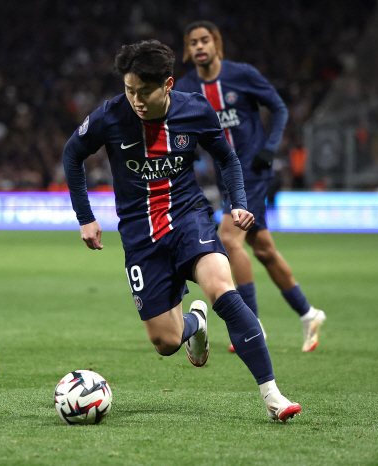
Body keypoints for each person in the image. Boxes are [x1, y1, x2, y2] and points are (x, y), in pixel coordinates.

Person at [63, 39, 301, 421]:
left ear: (169, 84)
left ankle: (273, 396)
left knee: (222, 289)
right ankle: (195, 323)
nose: (135, 100)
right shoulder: (110, 116)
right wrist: (84, 217)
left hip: (189, 217)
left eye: (144, 91)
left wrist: (238, 202)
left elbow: (227, 158)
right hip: (141, 235)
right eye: (129, 89)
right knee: (166, 342)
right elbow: (72, 154)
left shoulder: (195, 109)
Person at [175, 21, 326, 353]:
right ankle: (308, 313)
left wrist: (270, 148)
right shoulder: (186, 87)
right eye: (193, 43)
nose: (200, 47)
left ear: (217, 44)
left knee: (229, 239)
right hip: (225, 177)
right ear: (188, 50)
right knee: (264, 250)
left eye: (205, 40)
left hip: (253, 172)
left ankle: (251, 323)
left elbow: (279, 107)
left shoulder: (241, 75)